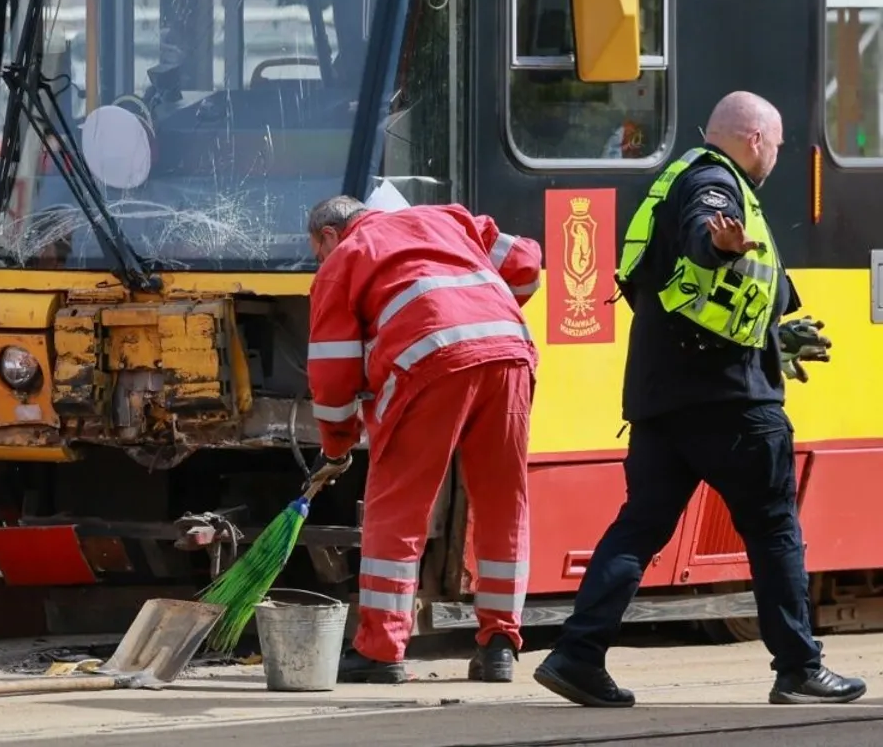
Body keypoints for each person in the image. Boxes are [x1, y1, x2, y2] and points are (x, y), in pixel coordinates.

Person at [535, 92, 864, 708]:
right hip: (732, 403)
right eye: (780, 142)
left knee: (639, 529)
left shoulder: (677, 178)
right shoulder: (717, 184)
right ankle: (798, 667)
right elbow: (702, 240)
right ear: (756, 140)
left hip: (663, 400)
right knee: (773, 531)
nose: (781, 155)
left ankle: (577, 655)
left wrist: (774, 334)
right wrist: (720, 248)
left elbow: (694, 295)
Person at [304, 193, 543, 685]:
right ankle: (499, 645)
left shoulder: (345, 258)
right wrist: (478, 310)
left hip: (428, 361)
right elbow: (526, 265)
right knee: (503, 502)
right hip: (508, 353)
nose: (320, 262)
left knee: (399, 507)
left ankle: (381, 650)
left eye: (316, 252)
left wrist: (337, 445)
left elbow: (331, 375)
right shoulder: (448, 218)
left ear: (329, 235)